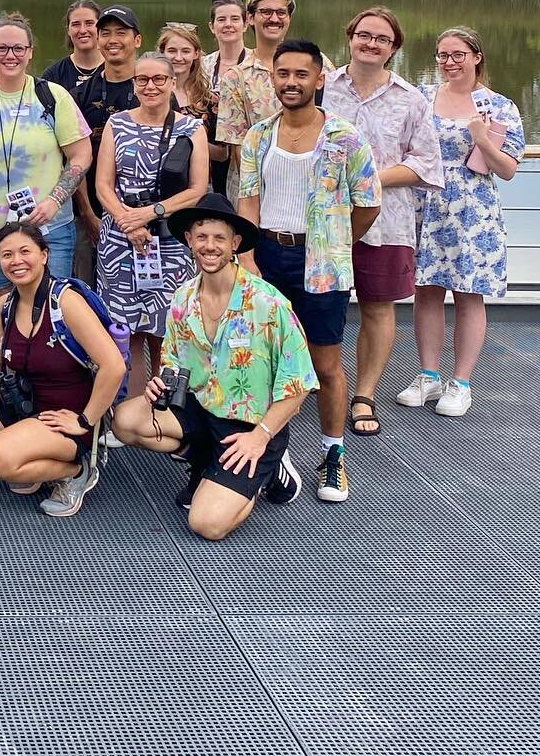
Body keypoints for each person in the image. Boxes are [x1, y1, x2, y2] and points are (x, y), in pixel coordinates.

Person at [110, 195, 314, 536]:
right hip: (203, 412)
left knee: (206, 524)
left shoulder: (268, 302)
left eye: (219, 238)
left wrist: (260, 438)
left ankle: (270, 469)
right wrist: (158, 385)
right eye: (202, 237)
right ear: (189, 240)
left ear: (235, 243)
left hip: (250, 427)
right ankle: (205, 460)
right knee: (127, 420)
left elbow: (299, 384)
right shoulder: (182, 298)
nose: (210, 246)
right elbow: (172, 364)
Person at [236, 40, 381, 505]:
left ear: (320, 79)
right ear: (273, 78)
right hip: (266, 257)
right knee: (261, 361)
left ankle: (333, 455)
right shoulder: (257, 136)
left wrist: (334, 244)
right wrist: (247, 256)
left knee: (324, 365)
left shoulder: (345, 137)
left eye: (302, 74)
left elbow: (368, 203)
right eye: (284, 74)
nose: (291, 82)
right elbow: (249, 199)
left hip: (321, 265)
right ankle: (268, 453)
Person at [0, 219, 127, 517]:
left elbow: (113, 366)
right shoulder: (5, 306)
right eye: (7, 255)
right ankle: (29, 456)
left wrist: (85, 421)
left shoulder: (66, 302)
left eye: (25, 251)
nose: (17, 261)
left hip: (67, 416)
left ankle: (77, 469)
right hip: (25, 405)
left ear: (44, 255)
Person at [323, 8, 442, 437]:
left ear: (393, 48)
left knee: (377, 306)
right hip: (324, 220)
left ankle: (364, 394)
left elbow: (427, 165)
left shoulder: (411, 98)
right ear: (350, 37)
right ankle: (311, 382)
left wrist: (366, 180)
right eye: (364, 35)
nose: (371, 44)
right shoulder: (324, 88)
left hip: (387, 221)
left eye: (381, 39)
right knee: (316, 303)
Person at [408, 26, 525, 416]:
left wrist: (483, 137)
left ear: (476, 56)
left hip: (472, 210)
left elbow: (507, 169)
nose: (449, 63)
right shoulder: (423, 97)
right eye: (442, 55)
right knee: (425, 290)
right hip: (426, 203)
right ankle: (427, 375)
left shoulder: (498, 106)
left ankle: (460, 383)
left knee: (467, 293)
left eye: (457, 55)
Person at [0, 14, 90, 312]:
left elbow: (81, 155)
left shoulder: (53, 96)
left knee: (51, 305)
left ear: (30, 52)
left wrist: (56, 199)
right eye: (1, 49)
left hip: (46, 224)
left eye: (17, 48)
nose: (9, 56)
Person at [94, 51, 210, 395]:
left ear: (172, 83)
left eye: (159, 79)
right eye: (142, 79)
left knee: (167, 328)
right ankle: (125, 406)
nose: (151, 86)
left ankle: (165, 408)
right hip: (120, 239)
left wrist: (150, 213)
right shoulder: (118, 123)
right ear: (134, 84)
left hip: (170, 239)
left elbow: (197, 189)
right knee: (124, 330)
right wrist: (127, 221)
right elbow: (103, 184)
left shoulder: (192, 128)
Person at [214, 0, 331, 168]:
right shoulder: (235, 78)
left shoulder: (318, 63)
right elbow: (237, 148)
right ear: (250, 18)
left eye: (281, 12)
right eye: (266, 12)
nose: (274, 19)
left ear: (289, 18)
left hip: (310, 178)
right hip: (254, 184)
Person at [71, 5, 142, 277]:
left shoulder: (152, 90)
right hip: (89, 213)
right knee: (86, 290)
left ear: (137, 40)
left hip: (141, 215)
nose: (113, 40)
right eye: (106, 33)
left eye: (121, 32)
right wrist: (89, 216)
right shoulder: (78, 95)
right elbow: (74, 160)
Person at [159, 20, 227, 195]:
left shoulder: (209, 100)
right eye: (172, 51)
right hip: (157, 182)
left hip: (200, 186)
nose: (178, 57)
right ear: (162, 53)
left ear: (196, 54)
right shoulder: (151, 95)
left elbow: (222, 154)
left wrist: (188, 140)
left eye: (186, 51)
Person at [40, 0, 104, 95]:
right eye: (76, 24)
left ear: (101, 27)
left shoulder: (115, 69)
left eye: (89, 23)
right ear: (68, 30)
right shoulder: (53, 75)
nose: (82, 30)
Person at [201, 0, 250, 86]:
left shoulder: (257, 64)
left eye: (235, 19)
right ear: (211, 27)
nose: (228, 24)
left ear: (245, 25)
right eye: (221, 19)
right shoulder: (203, 67)